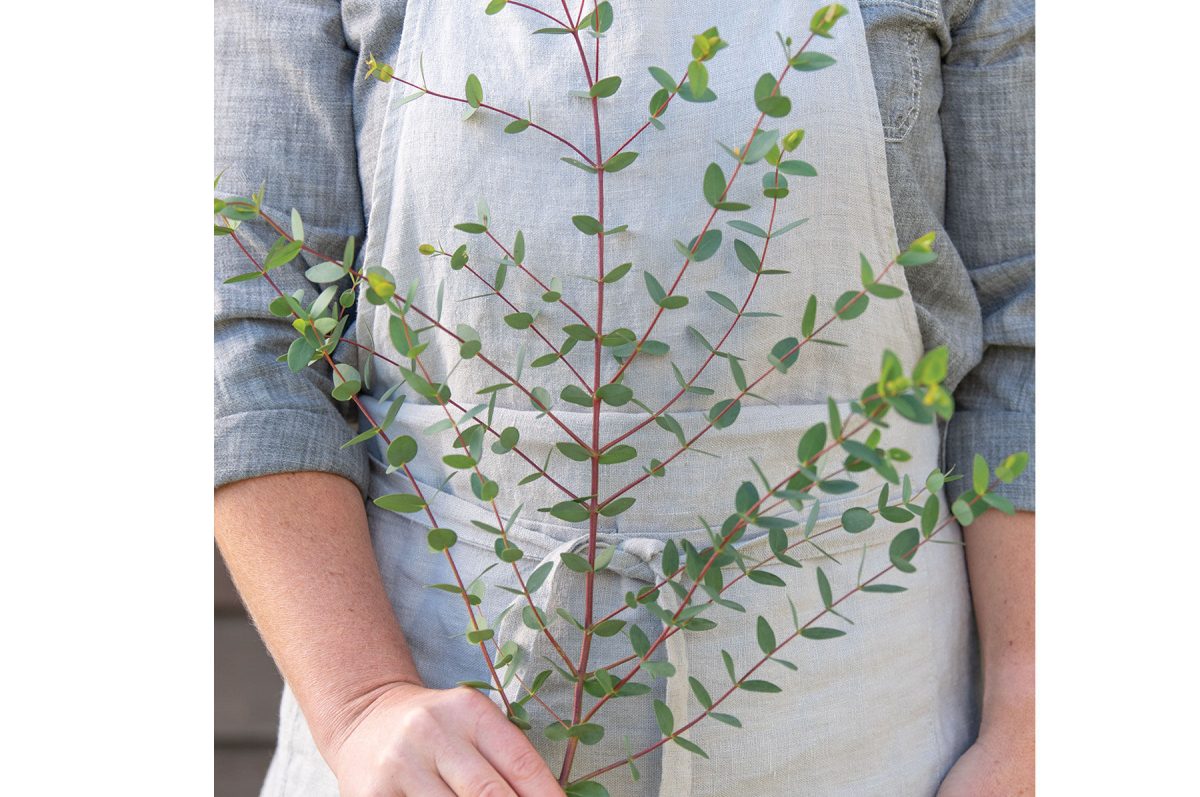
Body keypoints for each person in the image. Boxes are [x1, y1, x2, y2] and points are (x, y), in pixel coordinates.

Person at [215, 1, 1033, 795]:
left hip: (872, 737)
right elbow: (249, 326)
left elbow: (1029, 321)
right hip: (438, 739)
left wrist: (1028, 723)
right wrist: (362, 705)